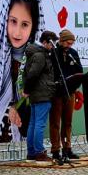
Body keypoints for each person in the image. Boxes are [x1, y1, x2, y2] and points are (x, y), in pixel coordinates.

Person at [0, 0, 42, 144]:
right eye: (13, 21)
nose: (17, 32)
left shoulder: (34, 57)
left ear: (33, 27)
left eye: (25, 24)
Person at [49, 29, 84, 161]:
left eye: (72, 43)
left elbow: (79, 71)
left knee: (67, 122)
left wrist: (74, 87)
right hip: (56, 94)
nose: (70, 46)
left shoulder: (73, 53)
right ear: (61, 41)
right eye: (68, 43)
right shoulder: (53, 53)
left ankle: (67, 148)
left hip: (70, 92)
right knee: (55, 123)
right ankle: (55, 150)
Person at [23, 31, 57, 161]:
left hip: (36, 93)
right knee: (39, 124)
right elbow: (32, 74)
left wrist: (28, 90)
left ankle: (32, 152)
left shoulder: (36, 54)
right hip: (42, 93)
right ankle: (39, 152)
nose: (53, 46)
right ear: (45, 42)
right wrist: (27, 90)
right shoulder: (40, 56)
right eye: (52, 44)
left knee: (33, 123)